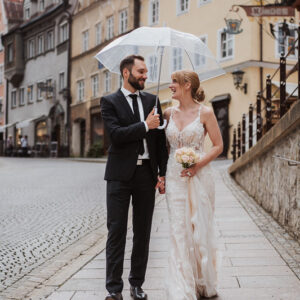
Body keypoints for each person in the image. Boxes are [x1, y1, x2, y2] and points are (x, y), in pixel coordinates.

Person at [100, 55, 168, 300]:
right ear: (126, 73)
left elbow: (159, 142)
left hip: (146, 175)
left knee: (143, 232)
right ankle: (113, 289)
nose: (145, 76)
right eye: (140, 71)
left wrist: (162, 173)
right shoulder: (109, 101)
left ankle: (136, 284)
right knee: (116, 231)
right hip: (119, 175)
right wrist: (145, 125)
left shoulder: (153, 100)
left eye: (146, 71)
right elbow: (116, 135)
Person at [163, 70, 223, 299]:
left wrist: (197, 164)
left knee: (199, 228)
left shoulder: (205, 113)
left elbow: (218, 146)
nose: (170, 86)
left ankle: (202, 279)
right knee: (178, 228)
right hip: (174, 175)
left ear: (187, 85)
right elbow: (165, 149)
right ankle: (182, 286)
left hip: (199, 175)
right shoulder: (167, 113)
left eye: (174, 82)